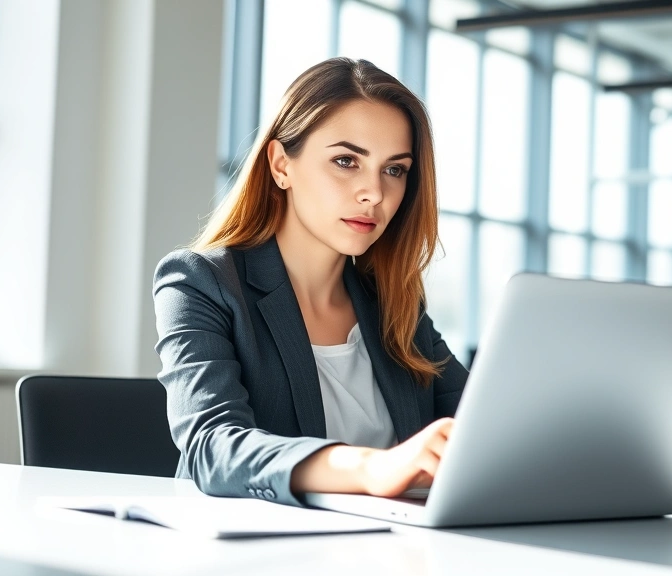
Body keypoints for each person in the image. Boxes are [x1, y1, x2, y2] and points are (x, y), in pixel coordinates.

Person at [153, 58, 468, 508]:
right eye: (346, 161)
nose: (374, 193)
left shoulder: (394, 303)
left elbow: (480, 425)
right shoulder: (199, 282)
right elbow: (212, 446)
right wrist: (372, 467)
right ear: (282, 165)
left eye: (394, 169)